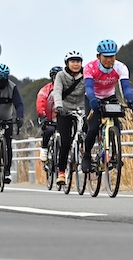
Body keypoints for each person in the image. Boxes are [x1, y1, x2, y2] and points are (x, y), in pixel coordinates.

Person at [82, 39, 133, 173]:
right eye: (106, 57)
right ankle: (86, 156)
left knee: (116, 125)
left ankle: (115, 153)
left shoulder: (120, 67)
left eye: (112, 56)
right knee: (93, 128)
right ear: (98, 56)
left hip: (110, 96)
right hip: (92, 96)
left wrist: (131, 100)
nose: (109, 60)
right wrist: (92, 99)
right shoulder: (90, 67)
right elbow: (88, 87)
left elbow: (126, 87)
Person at [52, 50, 86, 187]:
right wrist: (59, 106)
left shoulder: (86, 74)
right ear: (67, 63)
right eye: (72, 61)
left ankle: (86, 157)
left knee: (88, 134)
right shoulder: (60, 75)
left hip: (82, 109)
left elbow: (91, 90)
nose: (75, 64)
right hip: (65, 110)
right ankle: (61, 173)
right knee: (65, 142)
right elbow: (57, 91)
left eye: (78, 61)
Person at [36, 66, 60, 162]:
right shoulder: (45, 89)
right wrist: (43, 115)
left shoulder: (67, 88)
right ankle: (44, 148)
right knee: (49, 130)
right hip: (49, 118)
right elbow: (40, 102)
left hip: (63, 117)